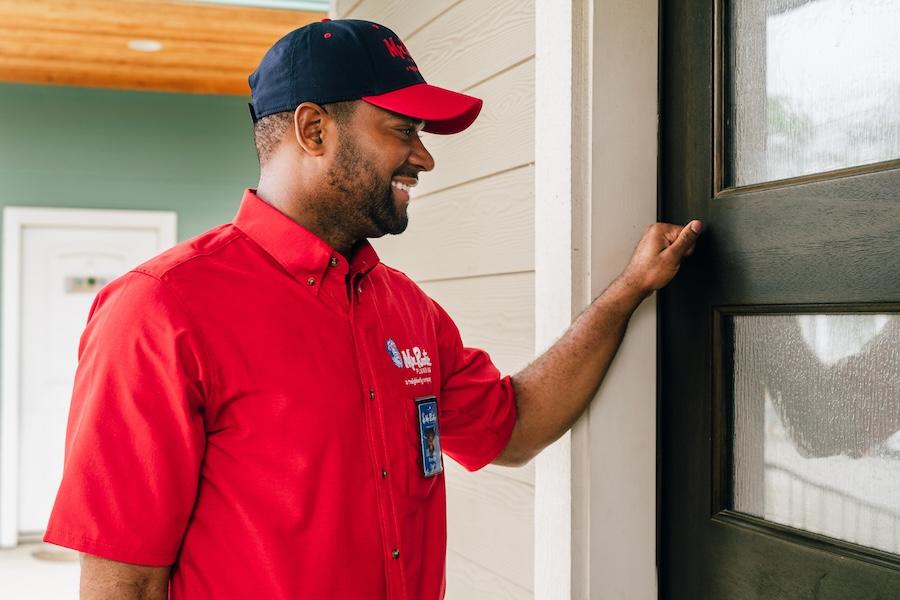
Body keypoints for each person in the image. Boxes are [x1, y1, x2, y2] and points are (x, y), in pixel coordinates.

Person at [44, 18, 701, 600]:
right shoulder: (160, 309)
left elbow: (516, 425)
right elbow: (123, 583)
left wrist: (628, 290)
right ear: (313, 129)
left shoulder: (406, 310)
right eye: (401, 130)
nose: (424, 155)